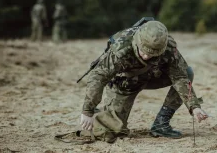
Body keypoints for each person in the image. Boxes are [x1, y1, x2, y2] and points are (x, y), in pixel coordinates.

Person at [79, 20, 208, 143]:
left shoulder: (168, 47)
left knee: (188, 72)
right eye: (143, 51)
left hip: (152, 76)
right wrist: (87, 110)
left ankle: (161, 125)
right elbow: (98, 77)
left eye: (152, 54)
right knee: (112, 131)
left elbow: (180, 77)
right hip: (125, 84)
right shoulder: (121, 48)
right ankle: (101, 113)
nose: (146, 56)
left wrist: (194, 106)